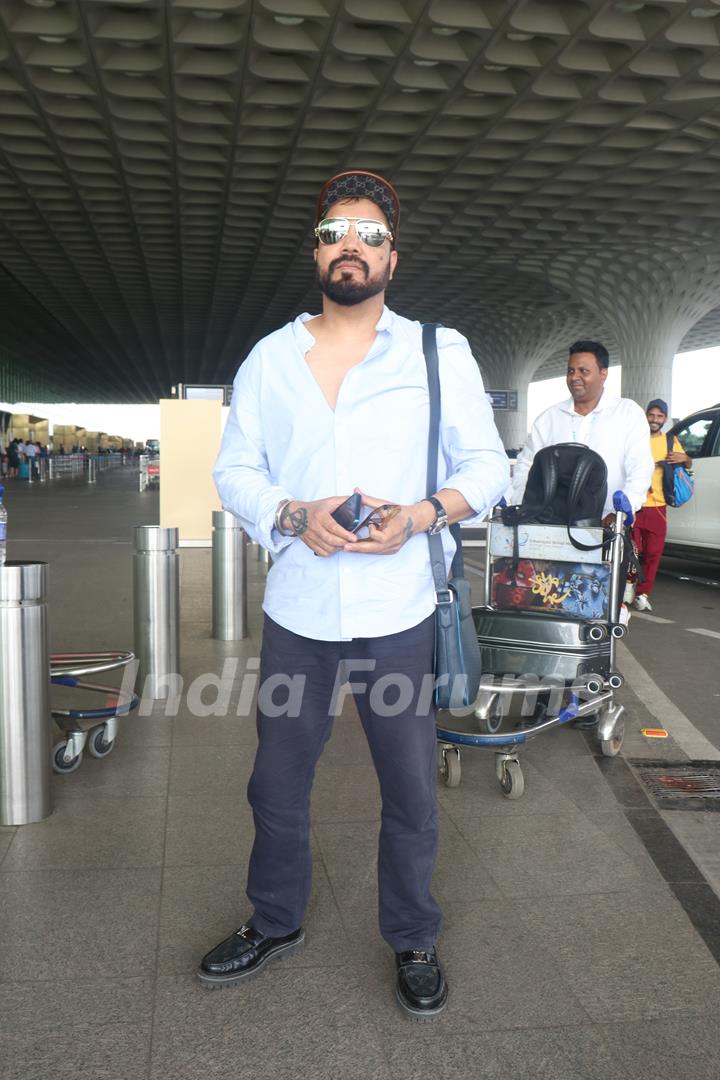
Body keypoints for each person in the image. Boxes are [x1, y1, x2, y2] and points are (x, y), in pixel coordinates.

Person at [205, 169, 510, 1019]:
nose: (352, 245)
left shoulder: (434, 352)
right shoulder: (271, 357)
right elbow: (235, 469)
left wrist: (419, 515)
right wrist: (293, 512)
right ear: (317, 250)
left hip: (397, 613)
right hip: (300, 613)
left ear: (392, 257)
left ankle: (412, 935)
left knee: (410, 788)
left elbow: (489, 467)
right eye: (336, 230)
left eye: (369, 234)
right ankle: (274, 920)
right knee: (275, 783)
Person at [509, 340, 654, 524]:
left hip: (607, 525)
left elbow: (641, 468)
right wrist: (526, 507)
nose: (574, 377)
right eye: (571, 371)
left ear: (603, 374)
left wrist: (620, 513)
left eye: (583, 371)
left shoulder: (627, 413)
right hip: (551, 525)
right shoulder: (549, 418)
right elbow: (526, 465)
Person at [630, 399, 692, 612]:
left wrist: (685, 457)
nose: (655, 420)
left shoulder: (670, 441)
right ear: (646, 415)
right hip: (634, 505)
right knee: (630, 552)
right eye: (652, 415)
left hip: (658, 506)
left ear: (665, 419)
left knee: (653, 553)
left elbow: (688, 463)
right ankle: (625, 591)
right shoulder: (635, 438)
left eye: (659, 416)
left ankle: (642, 593)